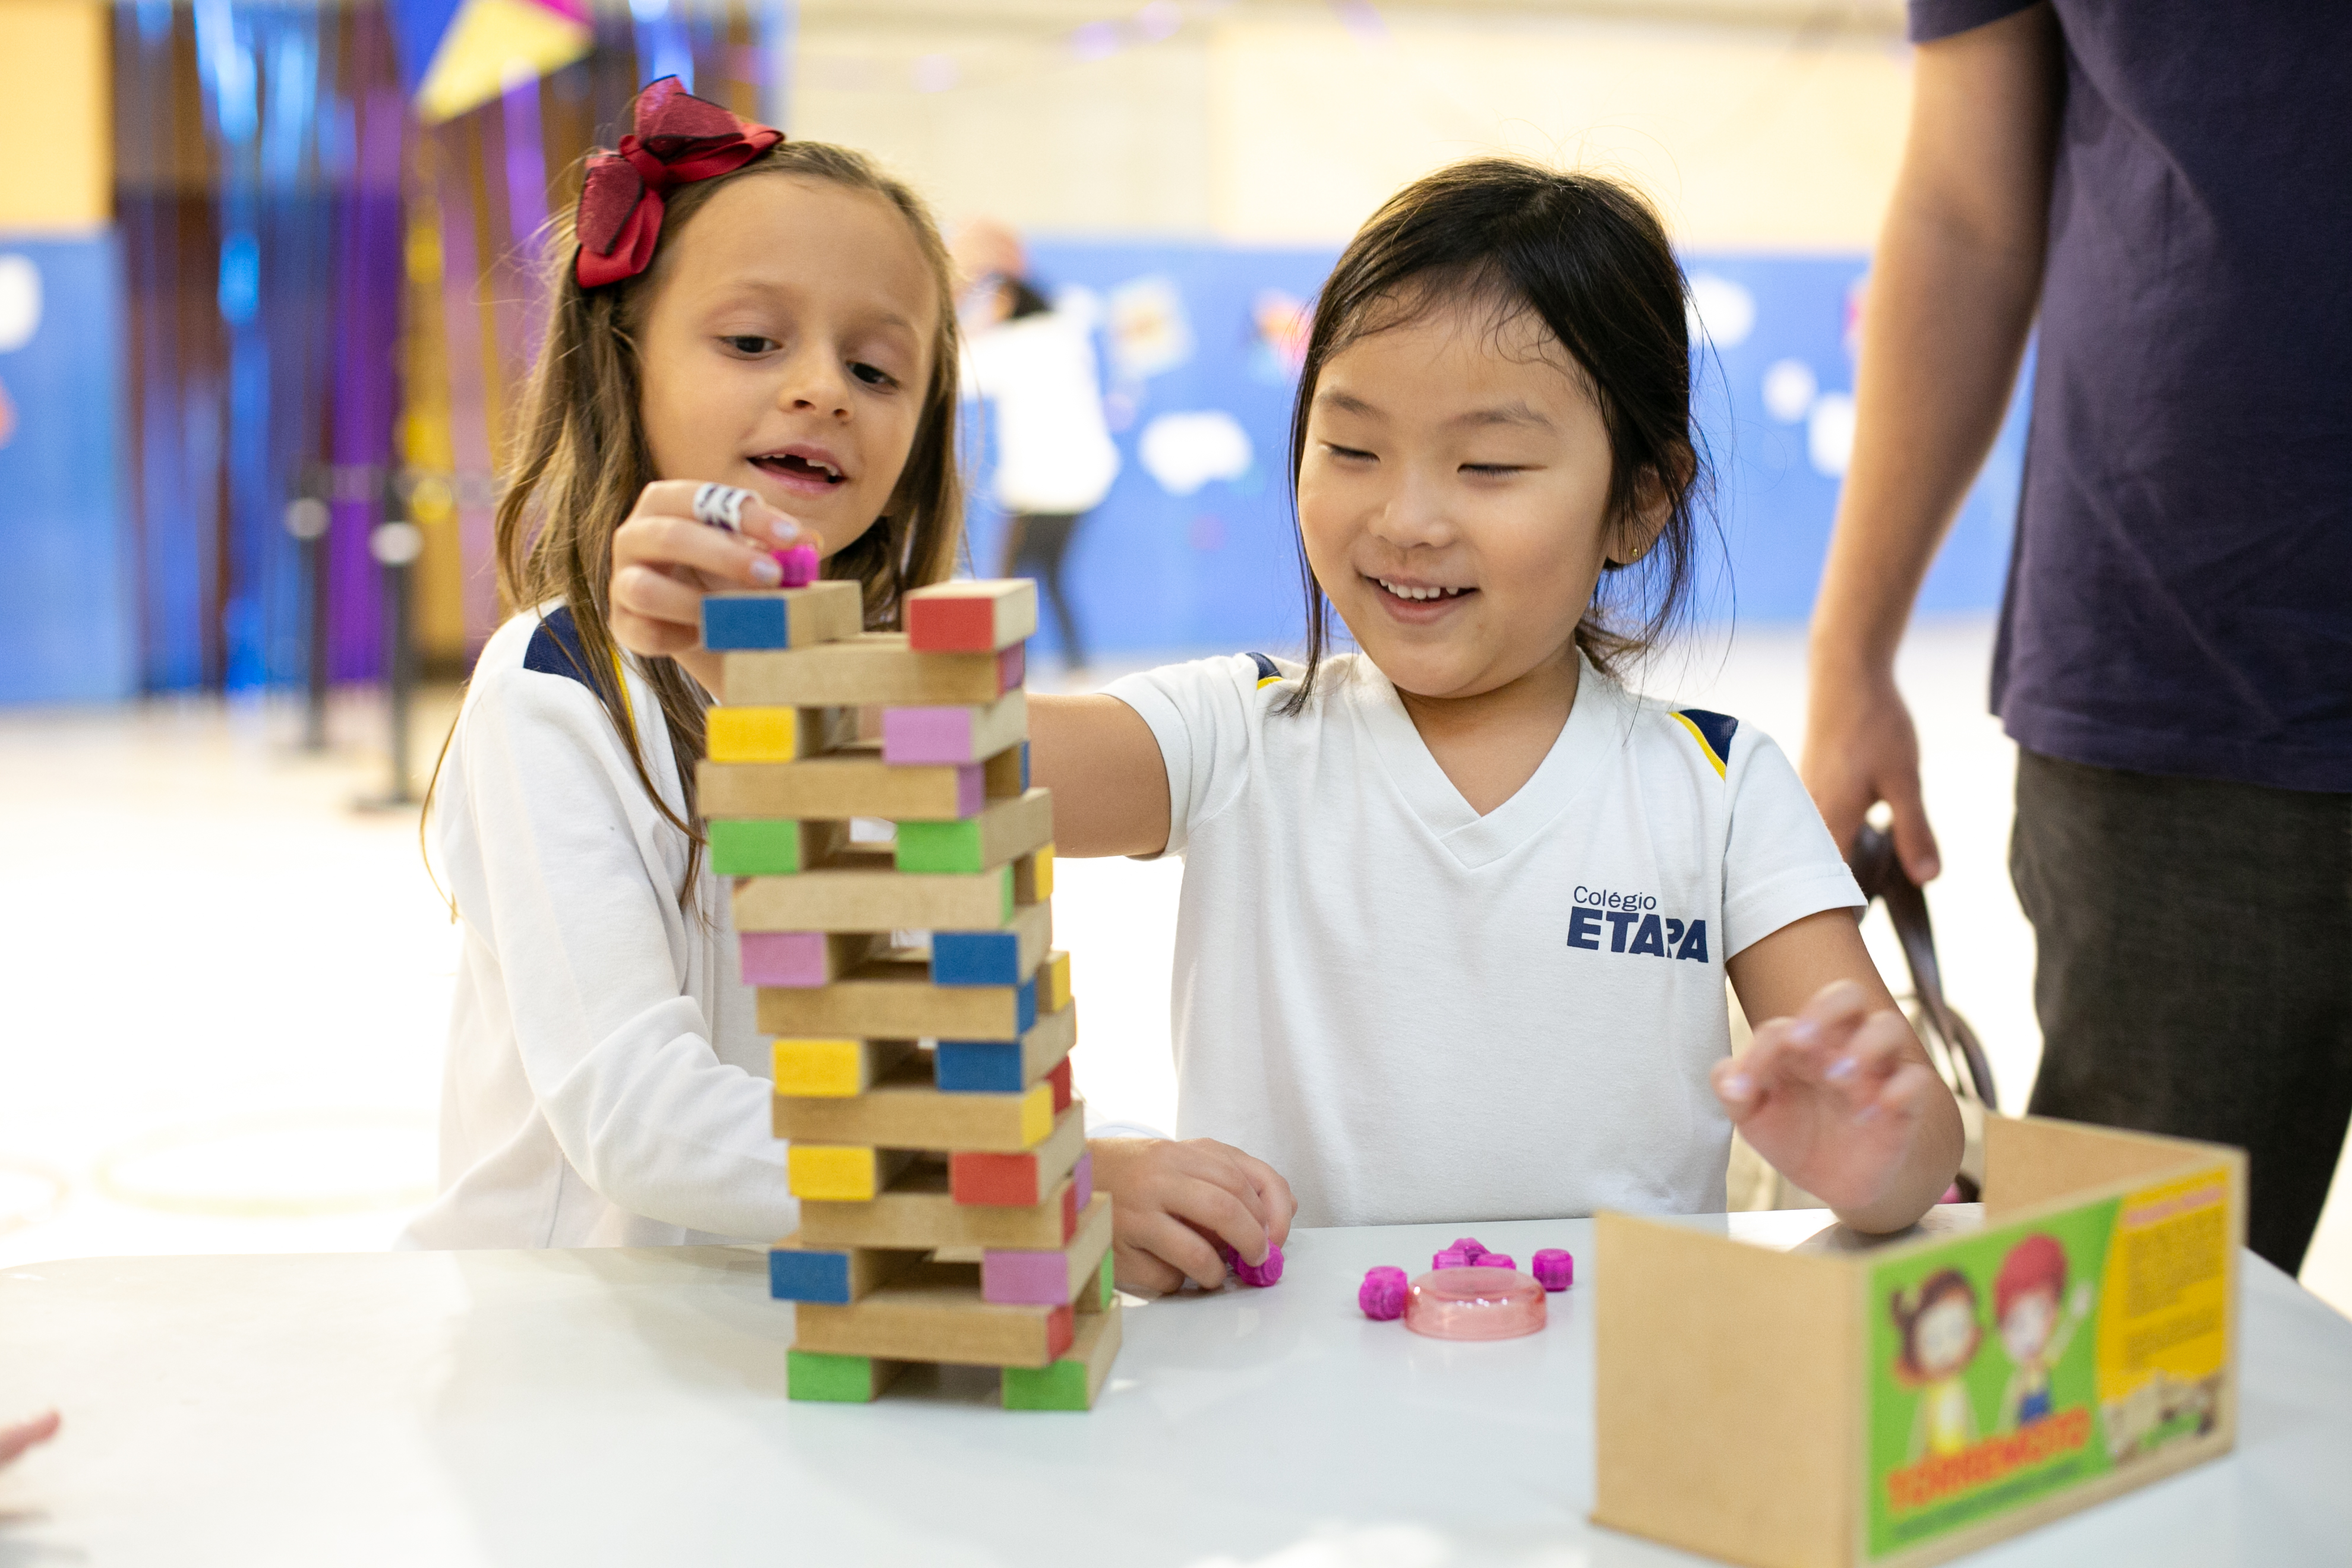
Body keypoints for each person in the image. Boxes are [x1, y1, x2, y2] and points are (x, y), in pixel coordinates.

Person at [607, 157, 1964, 1292]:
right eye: (1351, 446)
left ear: (1635, 503)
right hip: (1279, 1400)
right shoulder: (1237, 730)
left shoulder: (1717, 789)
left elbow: (1902, 1126)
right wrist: (757, 652)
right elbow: (955, 749)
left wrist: (1868, 1157)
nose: (1405, 514)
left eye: (1488, 464)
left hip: (1614, 1408)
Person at [1800, 4, 2352, 1274]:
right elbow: (1960, 208)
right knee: (2112, 1360)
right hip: (2174, 687)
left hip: (2170, 668)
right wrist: (1852, 653)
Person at [401, 80, 964, 1248]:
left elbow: (913, 1035)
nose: (818, 388)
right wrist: (1009, 1184)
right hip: (570, 1341)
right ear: (626, 364)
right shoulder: (554, 686)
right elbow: (637, 1117)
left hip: (788, 1321)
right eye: (753, 341)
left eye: (876, 369)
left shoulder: (885, 691)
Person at [954, 219, 1120, 672]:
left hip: (1041, 486)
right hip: (1085, 482)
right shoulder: (1063, 334)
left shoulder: (1018, 344)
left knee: (1009, 583)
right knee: (1051, 576)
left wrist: (973, 312)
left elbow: (957, 371)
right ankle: (1076, 667)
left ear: (1008, 301)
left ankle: (1008, 671)